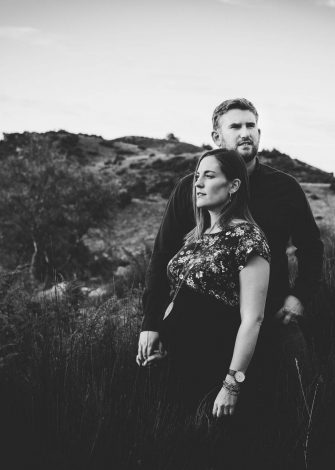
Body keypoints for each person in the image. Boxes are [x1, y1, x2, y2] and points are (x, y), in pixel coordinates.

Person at [138, 98, 323, 404]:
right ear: (216, 137)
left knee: (299, 402)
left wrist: (300, 296)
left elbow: (311, 247)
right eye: (235, 126)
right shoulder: (192, 189)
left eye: (250, 125)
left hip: (271, 317)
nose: (245, 132)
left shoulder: (284, 188)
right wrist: (151, 322)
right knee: (191, 414)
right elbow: (162, 255)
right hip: (204, 330)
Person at [136, 148, 270, 418]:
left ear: (233, 186)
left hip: (214, 370)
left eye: (209, 176)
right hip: (176, 368)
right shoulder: (197, 235)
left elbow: (253, 319)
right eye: (198, 176)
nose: (197, 183)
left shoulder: (247, 237)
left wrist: (232, 384)